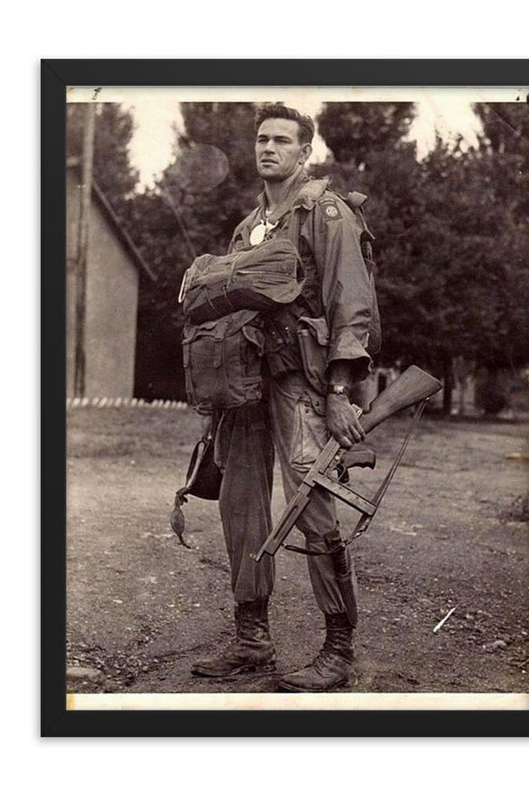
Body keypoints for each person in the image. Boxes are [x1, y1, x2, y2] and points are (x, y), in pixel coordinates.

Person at [189, 104, 375, 691]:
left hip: (301, 381)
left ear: (304, 152)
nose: (268, 148)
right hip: (242, 383)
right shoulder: (247, 229)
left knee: (310, 503)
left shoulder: (325, 212)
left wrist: (342, 390)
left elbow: (353, 303)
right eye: (261, 139)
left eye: (282, 141)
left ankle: (339, 649)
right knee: (240, 503)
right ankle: (252, 641)